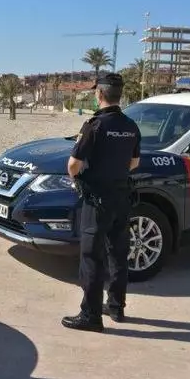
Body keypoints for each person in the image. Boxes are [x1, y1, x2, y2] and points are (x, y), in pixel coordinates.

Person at [62, 73, 141, 332]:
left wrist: (77, 180)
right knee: (118, 252)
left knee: (91, 256)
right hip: (122, 196)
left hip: (97, 200)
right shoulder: (131, 125)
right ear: (120, 95)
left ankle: (91, 315)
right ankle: (116, 306)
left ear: (99, 94)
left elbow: (73, 165)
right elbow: (134, 163)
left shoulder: (94, 125)